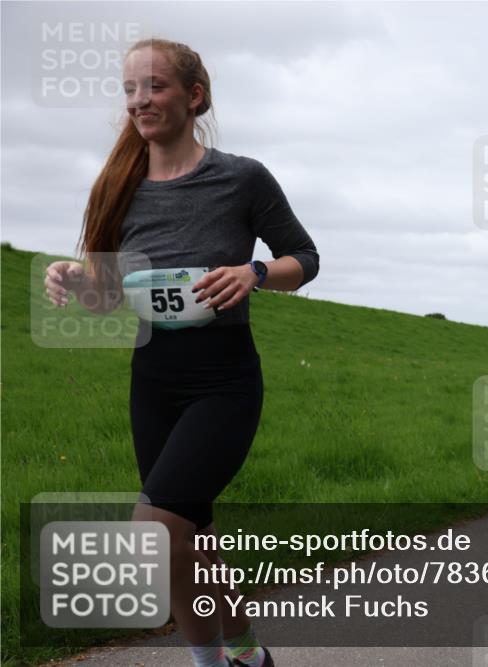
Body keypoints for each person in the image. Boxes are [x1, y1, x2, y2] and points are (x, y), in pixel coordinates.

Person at [44, 38, 318, 667]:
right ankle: (247, 653)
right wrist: (75, 280)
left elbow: (306, 259)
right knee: (191, 542)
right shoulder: (118, 185)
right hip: (154, 379)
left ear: (194, 97)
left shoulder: (241, 178)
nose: (140, 101)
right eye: (130, 90)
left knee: (155, 531)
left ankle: (210, 664)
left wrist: (254, 272)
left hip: (223, 380)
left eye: (155, 86)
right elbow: (108, 297)